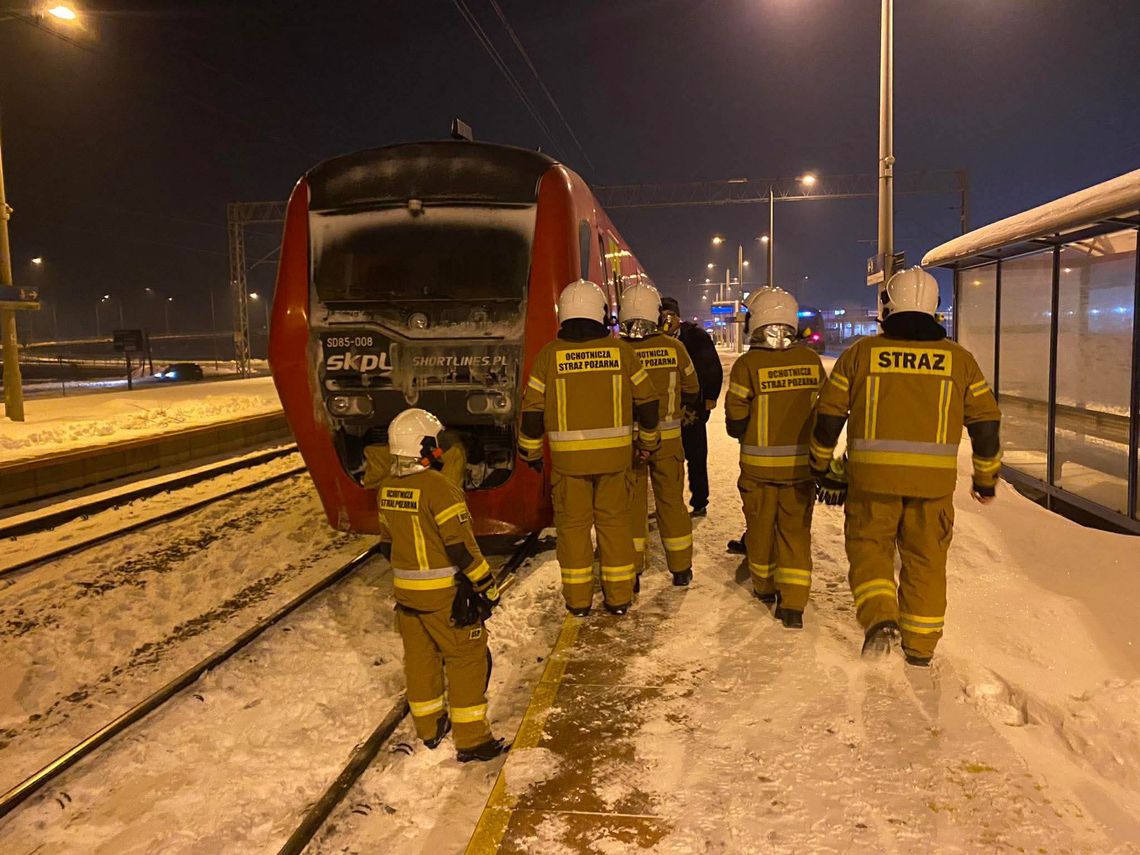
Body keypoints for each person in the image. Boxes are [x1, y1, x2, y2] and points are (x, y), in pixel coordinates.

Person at [809, 267, 1002, 665]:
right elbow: (986, 424)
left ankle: (881, 619)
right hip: (932, 490)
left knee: (870, 551)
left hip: (871, 482)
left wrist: (820, 463)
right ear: (935, 309)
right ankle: (920, 648)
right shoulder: (960, 361)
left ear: (887, 307)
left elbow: (828, 415)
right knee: (927, 563)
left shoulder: (860, 355)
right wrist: (985, 480)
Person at [365, 408, 506, 762]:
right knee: (467, 658)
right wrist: (485, 584)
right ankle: (472, 739)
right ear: (423, 446)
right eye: (435, 442)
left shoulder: (388, 489)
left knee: (420, 660)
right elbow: (460, 546)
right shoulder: (439, 487)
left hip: (406, 595)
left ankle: (429, 728)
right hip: (444, 595)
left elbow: (386, 546)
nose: (439, 449)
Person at [519, 280, 660, 616]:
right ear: (600, 315)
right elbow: (649, 402)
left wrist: (532, 454)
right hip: (615, 462)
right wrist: (648, 443)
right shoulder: (622, 353)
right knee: (614, 527)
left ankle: (579, 601)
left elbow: (532, 412)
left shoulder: (548, 357)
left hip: (569, 467)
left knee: (573, 532)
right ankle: (619, 598)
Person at [724, 288, 826, 629]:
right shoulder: (811, 361)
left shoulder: (748, 365)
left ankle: (765, 587)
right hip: (801, 470)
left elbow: (735, 421)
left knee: (761, 527)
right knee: (795, 533)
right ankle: (794, 604)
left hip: (758, 470)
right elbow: (827, 410)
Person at [618, 282, 702, 587]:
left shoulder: (619, 350)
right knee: (671, 503)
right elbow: (692, 389)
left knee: (632, 507)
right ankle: (681, 569)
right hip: (668, 442)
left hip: (630, 444)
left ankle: (634, 569)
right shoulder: (674, 347)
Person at [661, 296, 723, 516]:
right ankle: (671, 502)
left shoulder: (696, 337)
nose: (667, 321)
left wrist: (710, 398)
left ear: (678, 317)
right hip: (667, 410)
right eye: (663, 316)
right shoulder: (656, 341)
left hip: (693, 409)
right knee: (669, 459)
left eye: (670, 316)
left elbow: (712, 368)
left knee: (696, 456)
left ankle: (699, 501)